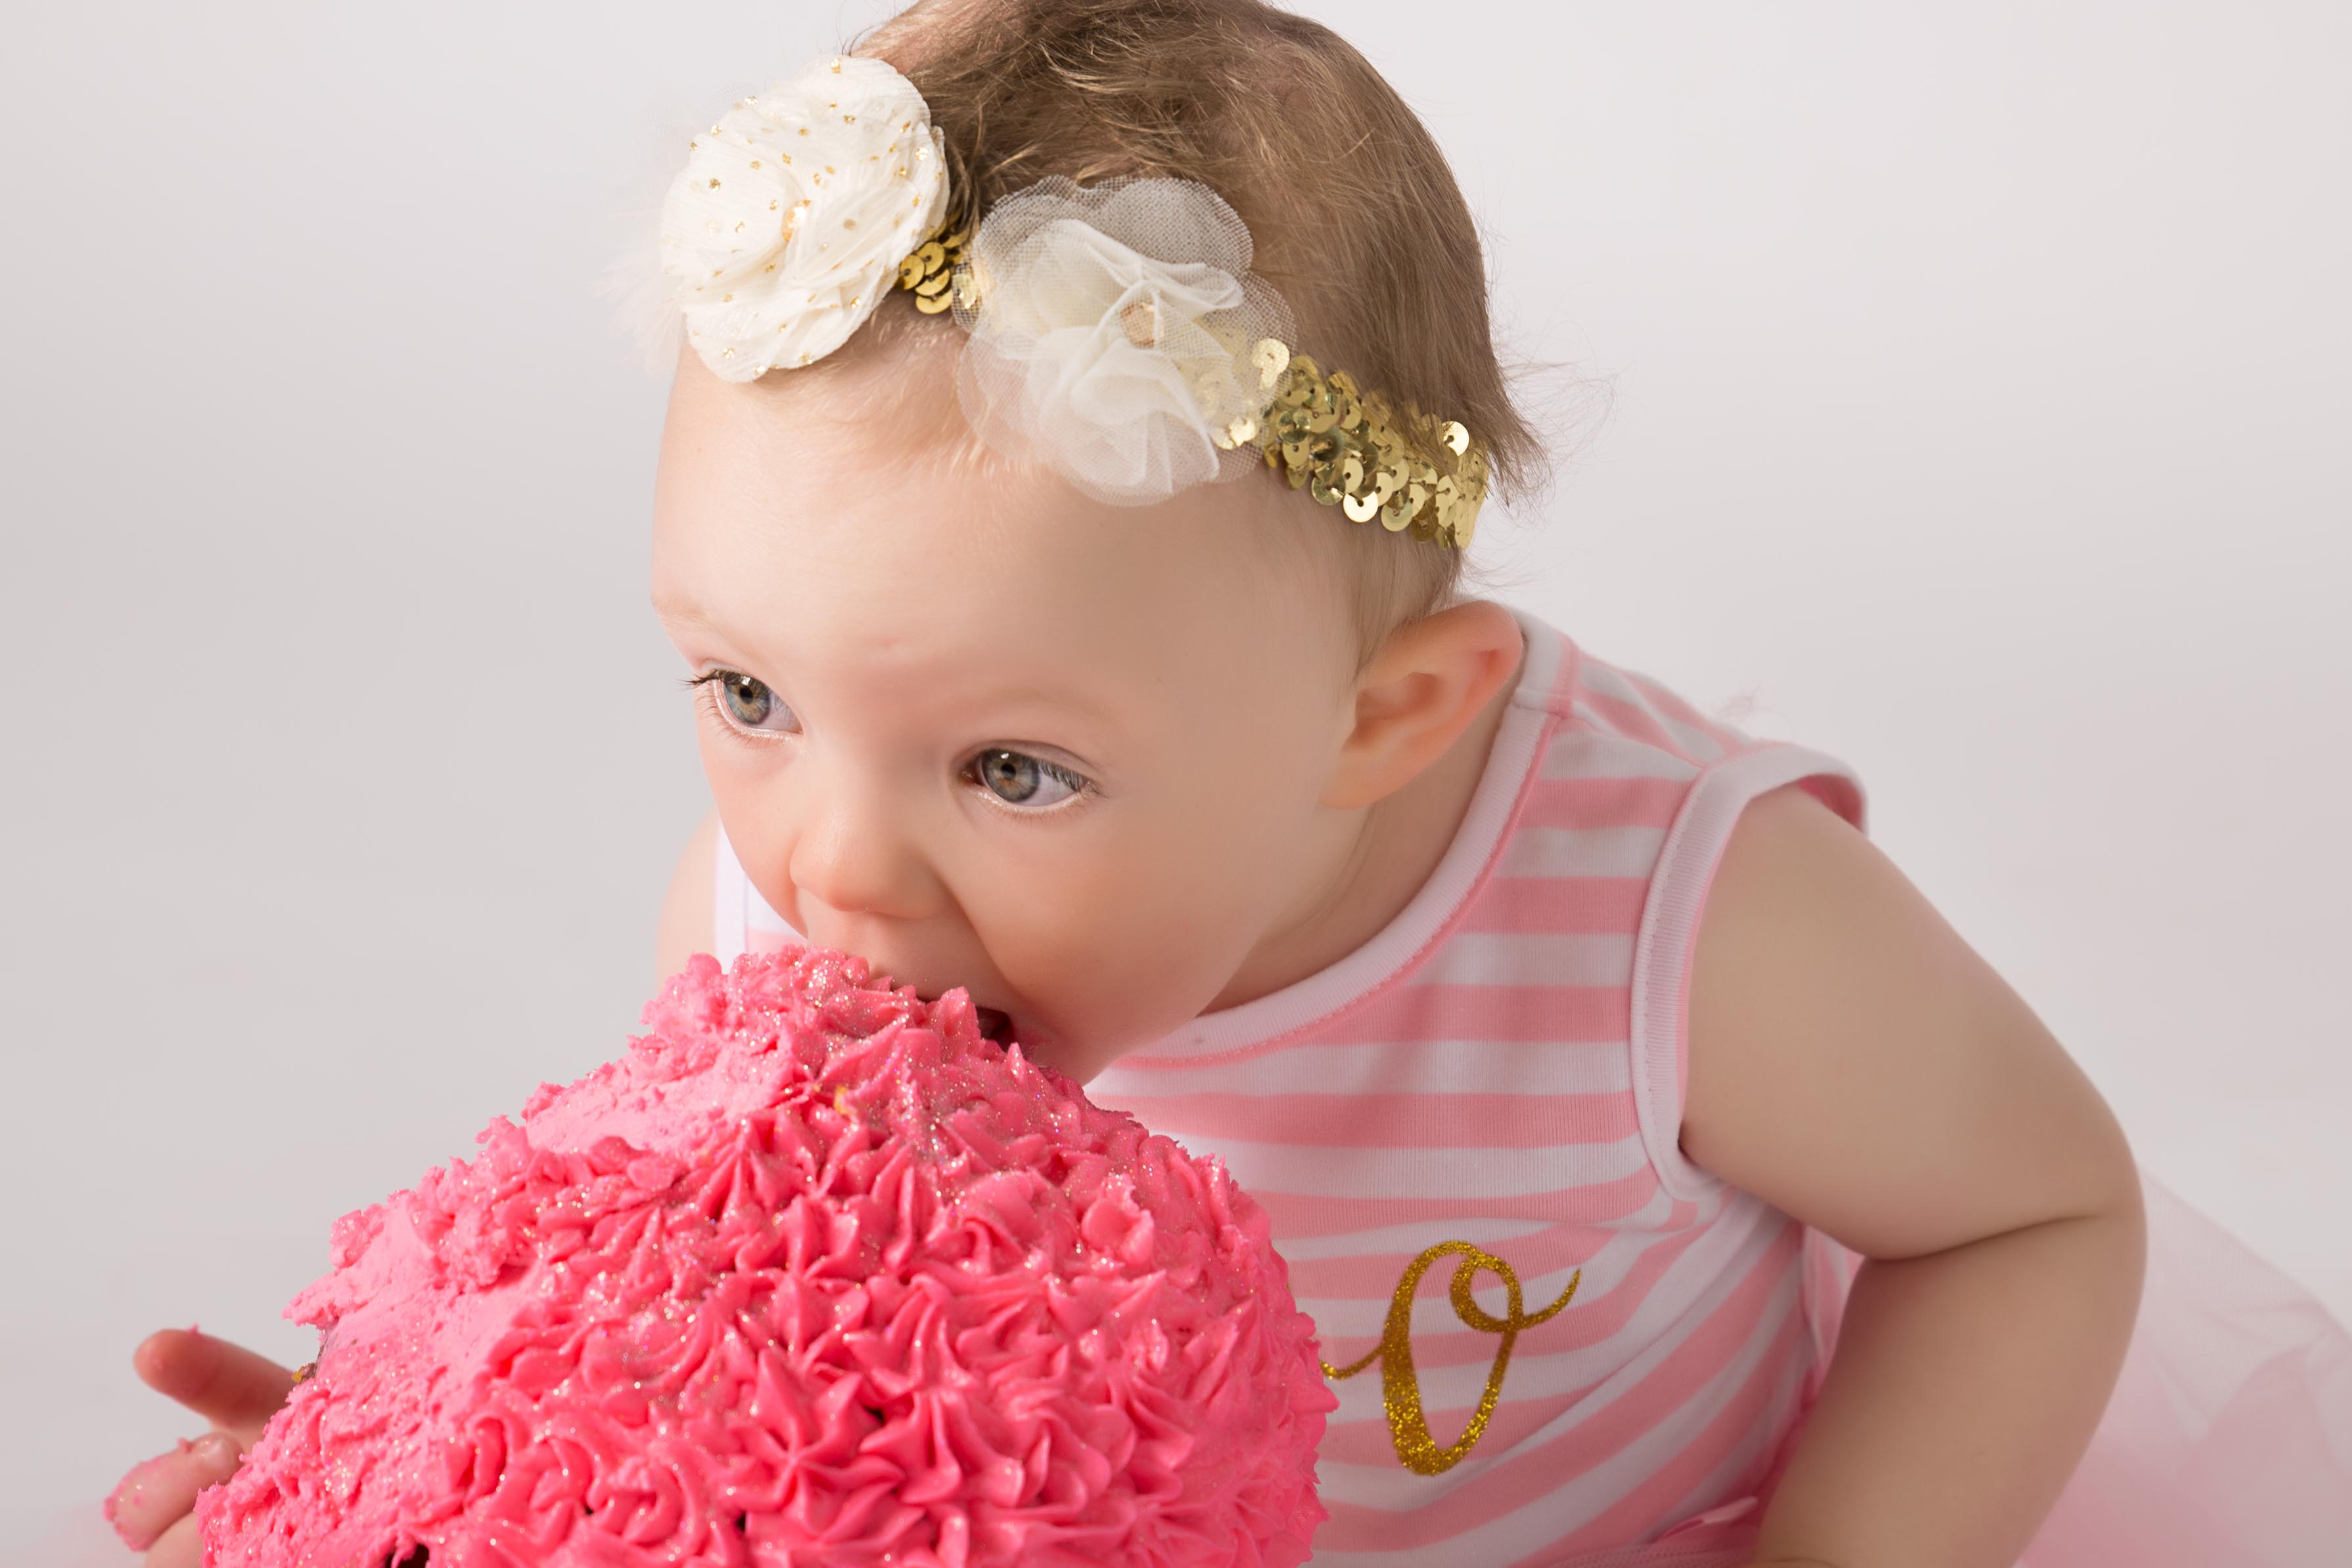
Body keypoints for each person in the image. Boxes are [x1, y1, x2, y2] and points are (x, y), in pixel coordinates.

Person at [104, 3, 2352, 1565]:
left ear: (1392, 717)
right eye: (747, 693)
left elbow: (2030, 1212)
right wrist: (449, 1443)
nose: (827, 865)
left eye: (1012, 765)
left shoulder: (1659, 915)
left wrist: (1845, 1550)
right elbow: (730, 1334)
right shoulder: (786, 900)